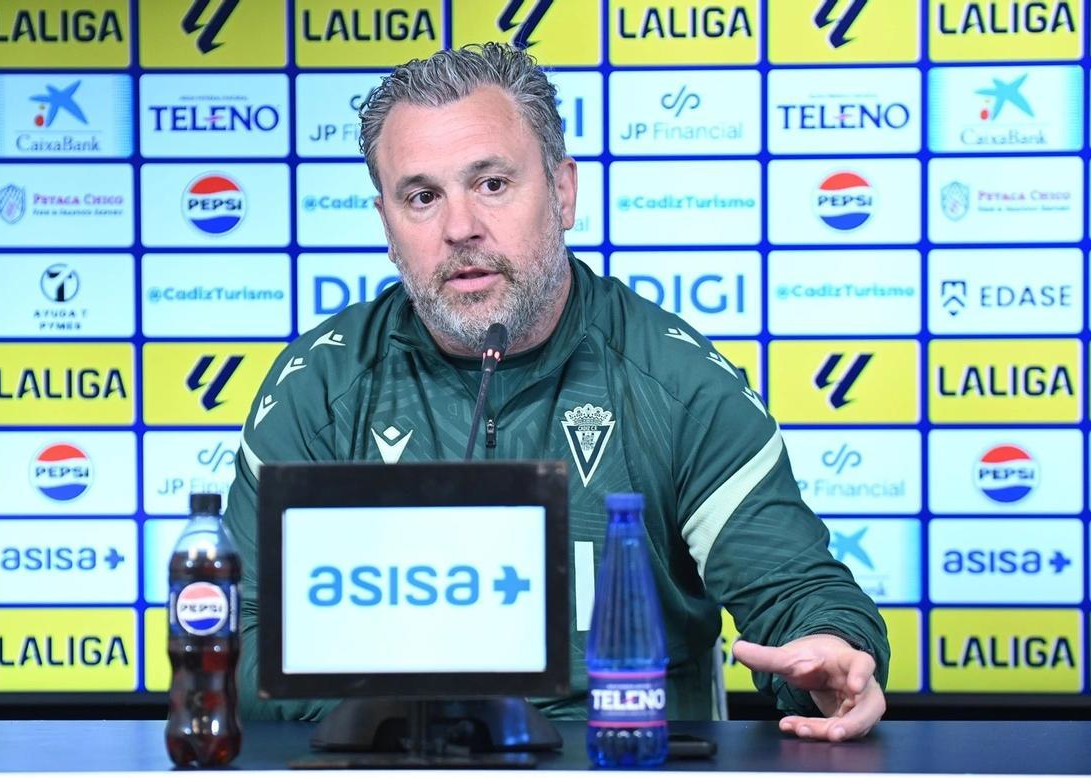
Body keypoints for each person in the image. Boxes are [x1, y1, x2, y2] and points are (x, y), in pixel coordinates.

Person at [224, 42, 889, 742]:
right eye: (422, 197)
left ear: (563, 192)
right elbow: (240, 643)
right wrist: (418, 718)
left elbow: (797, 590)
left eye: (492, 184)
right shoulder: (321, 391)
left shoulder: (676, 382)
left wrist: (832, 651)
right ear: (387, 225)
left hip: (628, 772)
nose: (460, 228)